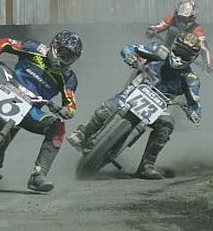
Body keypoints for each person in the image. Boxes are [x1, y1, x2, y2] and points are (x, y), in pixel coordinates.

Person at [0, 31, 83, 192]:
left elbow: (71, 103)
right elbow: (4, 42)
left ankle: (38, 175)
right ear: (55, 44)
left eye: (70, 56)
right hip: (9, 90)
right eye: (64, 52)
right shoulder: (34, 48)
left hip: (31, 109)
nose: (64, 58)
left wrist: (67, 110)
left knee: (58, 127)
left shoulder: (69, 78)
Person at [68, 33, 202, 179]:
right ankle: (83, 134)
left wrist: (194, 112)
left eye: (186, 55)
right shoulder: (159, 51)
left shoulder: (190, 78)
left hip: (159, 108)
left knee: (167, 124)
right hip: (132, 92)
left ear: (193, 58)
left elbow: (195, 102)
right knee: (107, 108)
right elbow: (130, 48)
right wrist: (130, 55)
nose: (180, 57)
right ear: (173, 47)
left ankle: (147, 164)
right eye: (179, 51)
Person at [146, 0, 213, 71]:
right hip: (165, 50)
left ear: (192, 17)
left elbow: (204, 48)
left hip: (182, 59)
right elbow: (159, 26)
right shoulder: (171, 19)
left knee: (187, 75)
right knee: (149, 59)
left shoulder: (197, 29)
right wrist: (151, 30)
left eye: (185, 18)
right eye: (180, 17)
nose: (181, 20)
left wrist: (208, 64)